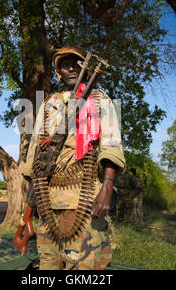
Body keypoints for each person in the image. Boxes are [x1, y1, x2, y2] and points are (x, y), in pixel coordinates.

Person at [23, 46, 125, 270]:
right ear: (59, 71)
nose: (70, 68)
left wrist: (107, 188)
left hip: (83, 196)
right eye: (65, 64)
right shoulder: (48, 103)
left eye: (76, 63)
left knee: (85, 264)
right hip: (48, 199)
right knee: (49, 262)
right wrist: (29, 207)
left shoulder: (98, 99)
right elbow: (34, 154)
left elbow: (111, 144)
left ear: (86, 68)